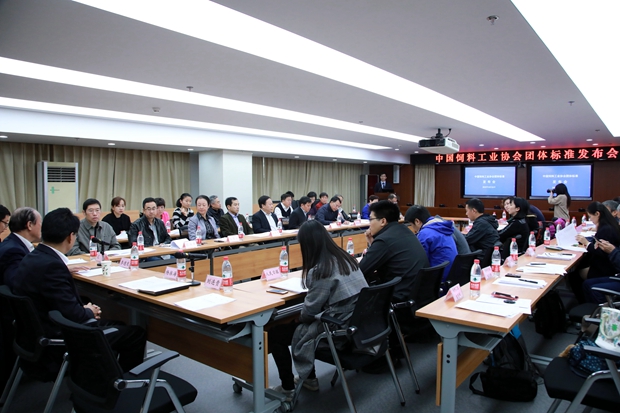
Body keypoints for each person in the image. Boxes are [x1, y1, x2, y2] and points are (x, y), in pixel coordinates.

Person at [12, 208, 147, 372]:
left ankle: (103, 372)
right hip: (61, 338)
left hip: (35, 334)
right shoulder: (52, 266)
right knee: (136, 333)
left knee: (117, 324)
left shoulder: (33, 256)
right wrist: (89, 310)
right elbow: (73, 315)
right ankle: (118, 382)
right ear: (71, 237)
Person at [267, 220, 368, 400]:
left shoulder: (321, 270)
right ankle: (309, 379)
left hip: (337, 331)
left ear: (308, 245)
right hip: (357, 325)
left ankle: (288, 388)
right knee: (300, 325)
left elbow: (309, 312)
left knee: (276, 334)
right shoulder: (346, 259)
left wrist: (298, 318)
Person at [360, 200, 428, 301]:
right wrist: (372, 243)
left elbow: (361, 270)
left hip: (400, 296)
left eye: (371, 219)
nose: (369, 224)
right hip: (418, 293)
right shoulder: (404, 230)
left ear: (383, 221)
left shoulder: (384, 240)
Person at [570, 202, 620, 302]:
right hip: (611, 266)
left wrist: (587, 243)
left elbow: (601, 251)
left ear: (597, 214)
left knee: (575, 275)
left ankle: (586, 305)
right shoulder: (608, 225)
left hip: (605, 268)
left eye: (590, 216)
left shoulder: (606, 229)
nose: (590, 219)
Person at [405, 205, 457, 282]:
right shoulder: (441, 227)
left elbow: (419, 261)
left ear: (417, 221)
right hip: (451, 276)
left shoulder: (424, 234)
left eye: (412, 225)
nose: (413, 229)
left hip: (437, 279)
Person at [0, 207, 41, 288]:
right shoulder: (14, 251)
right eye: (40, 223)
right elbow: (17, 282)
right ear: (29, 225)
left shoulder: (11, 242)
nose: (41, 227)